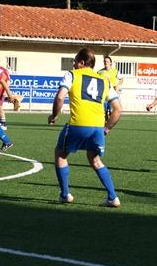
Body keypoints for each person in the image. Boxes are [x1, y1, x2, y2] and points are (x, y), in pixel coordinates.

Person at [48, 47, 123, 207]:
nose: (73, 65)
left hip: (78, 124)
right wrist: (107, 128)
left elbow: (60, 97)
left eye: (75, 62)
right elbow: (118, 109)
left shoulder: (72, 75)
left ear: (82, 62)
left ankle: (65, 194)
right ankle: (113, 197)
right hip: (97, 128)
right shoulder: (104, 80)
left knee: (60, 155)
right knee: (95, 159)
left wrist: (54, 116)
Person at [97, 55, 123, 120]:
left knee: (113, 110)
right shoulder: (100, 72)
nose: (106, 63)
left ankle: (111, 121)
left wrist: (117, 85)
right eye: (105, 61)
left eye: (107, 61)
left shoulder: (115, 71)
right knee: (104, 110)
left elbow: (121, 79)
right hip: (104, 92)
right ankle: (105, 120)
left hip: (113, 92)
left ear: (111, 63)